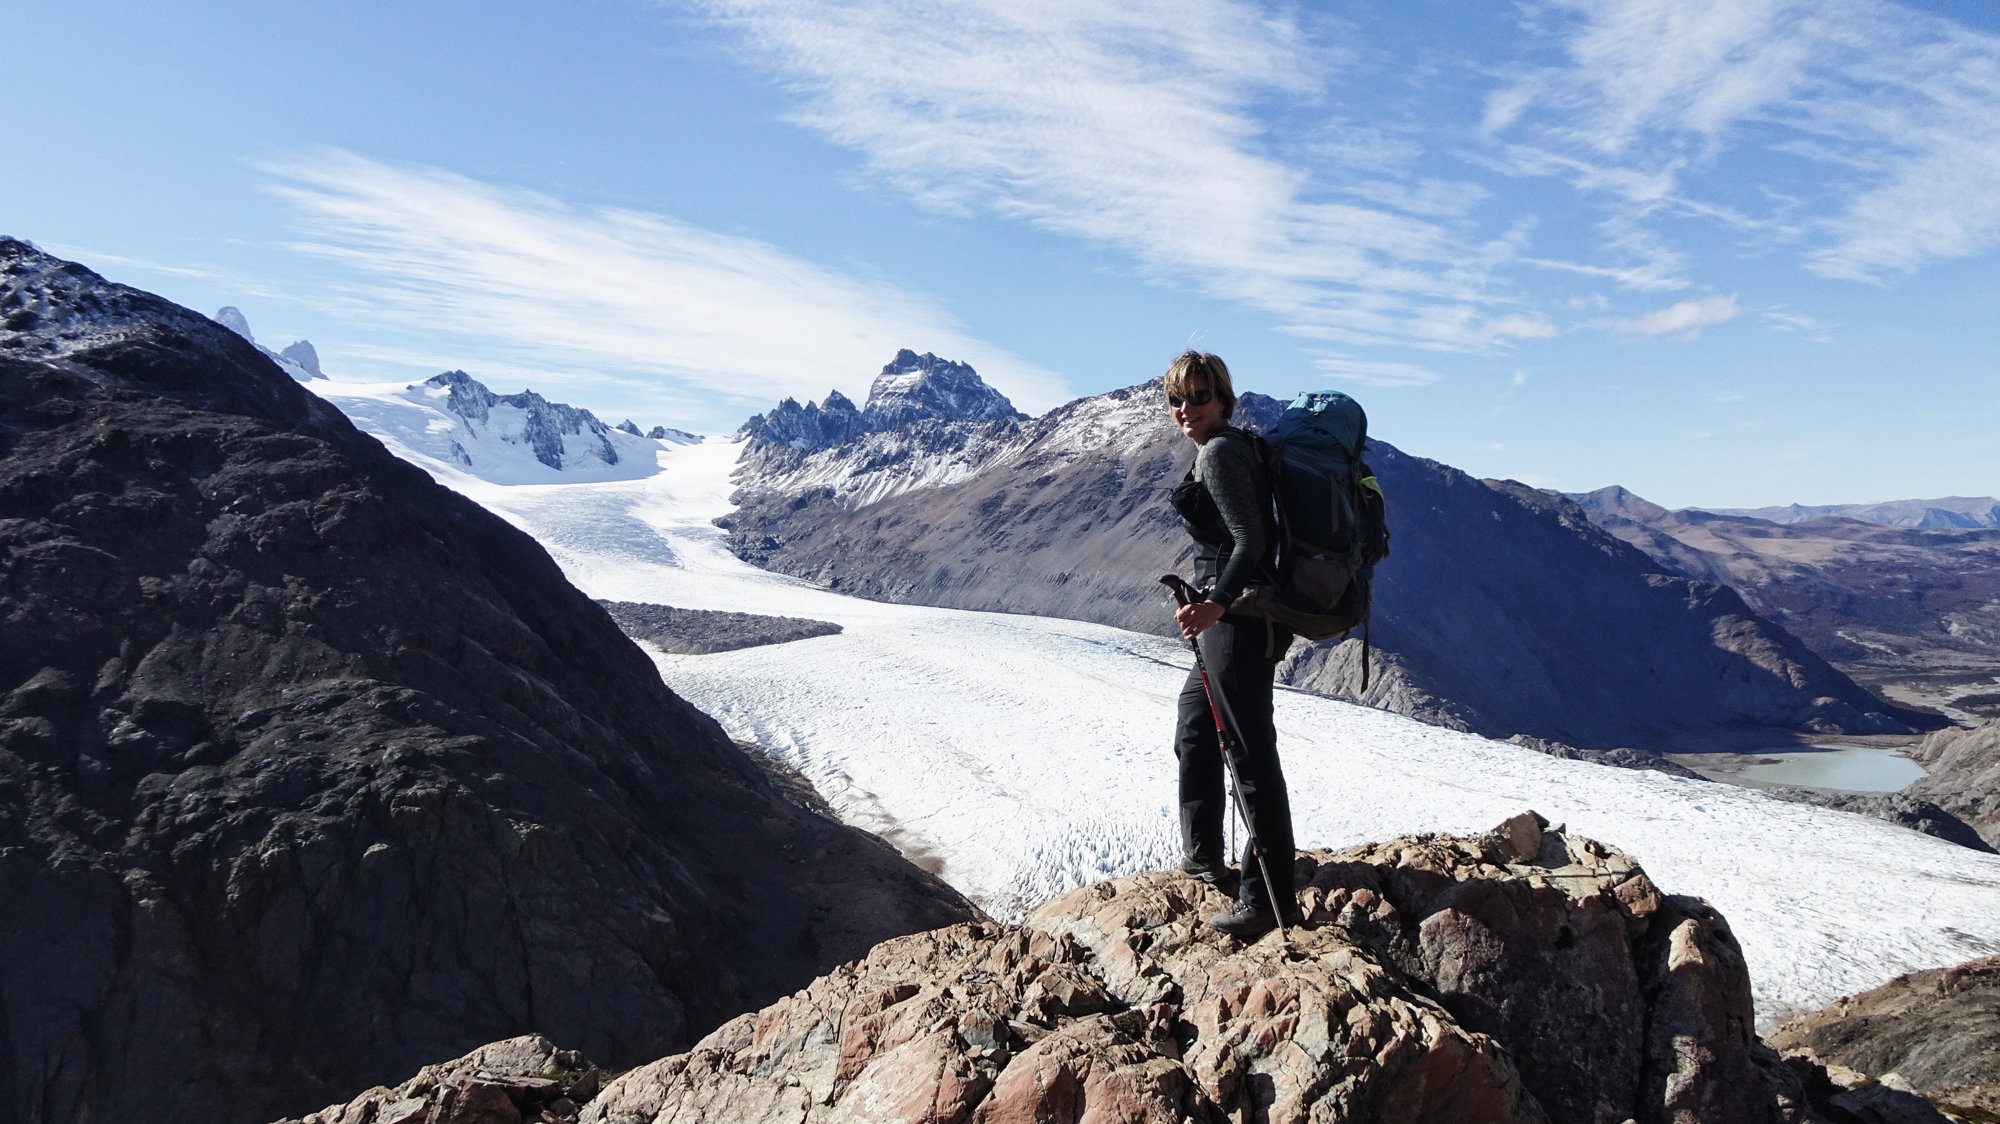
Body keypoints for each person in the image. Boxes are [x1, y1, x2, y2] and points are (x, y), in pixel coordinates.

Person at [1163, 350, 1300, 938]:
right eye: (1177, 399)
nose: (1186, 410)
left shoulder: (1220, 452)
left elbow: (1250, 540)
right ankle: (1203, 855)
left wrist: (1216, 601)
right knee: (1195, 724)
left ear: (1221, 397)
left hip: (1239, 621)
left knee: (1248, 754)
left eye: (1198, 396)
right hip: (1231, 616)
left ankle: (1267, 898)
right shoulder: (1230, 447)